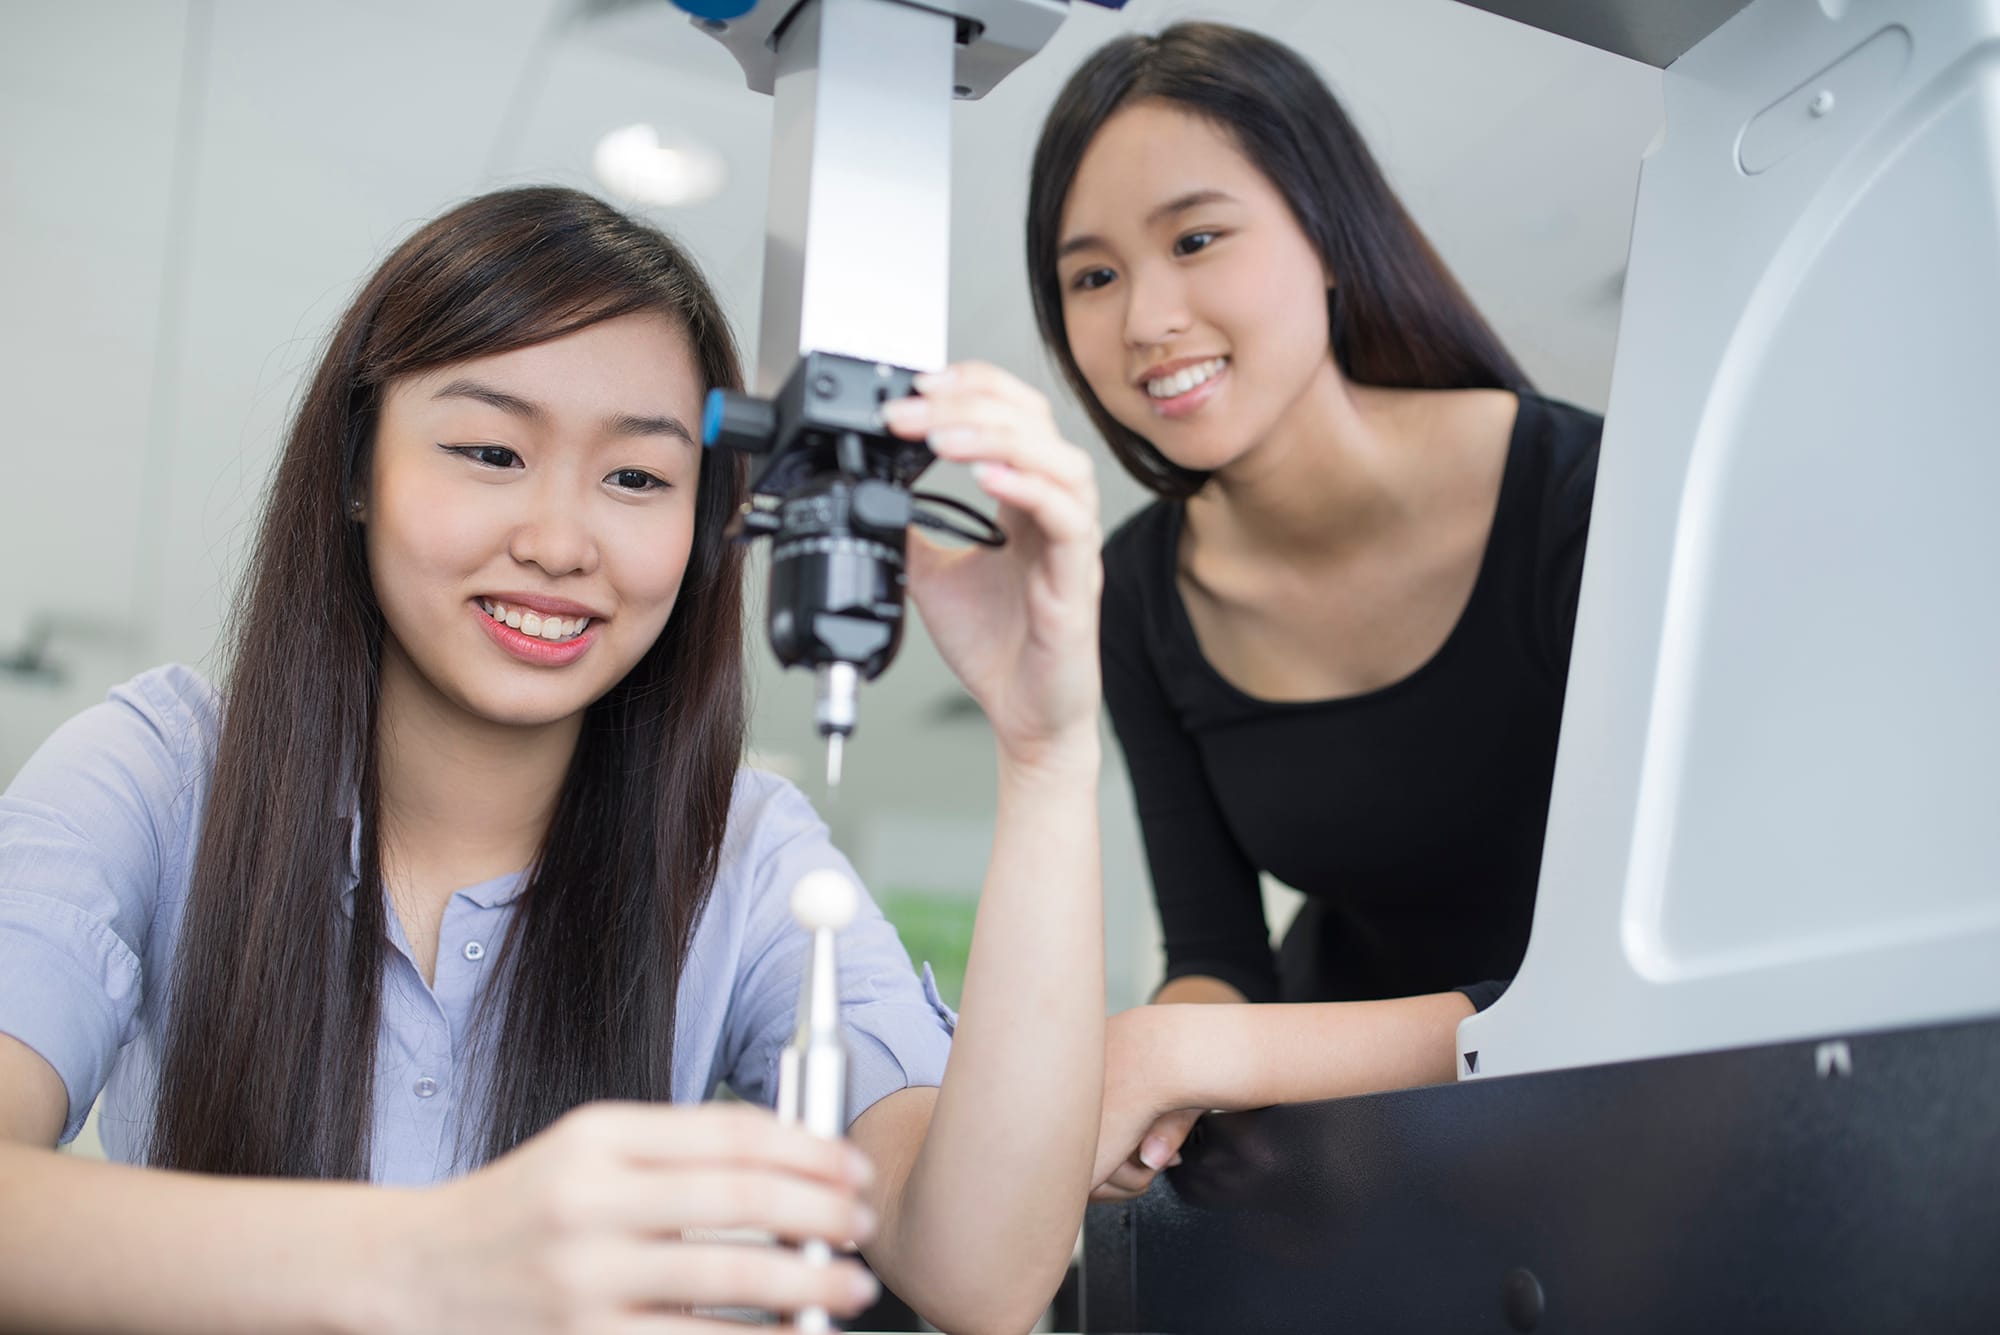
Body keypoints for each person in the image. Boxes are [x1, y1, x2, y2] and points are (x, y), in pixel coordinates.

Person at [0, 185, 1105, 1333]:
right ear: (354, 473)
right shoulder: (157, 775)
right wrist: (435, 1261)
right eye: (490, 450)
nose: (560, 543)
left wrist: (1048, 751)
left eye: (637, 478)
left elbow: (980, 1274)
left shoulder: (742, 856)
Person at [1024, 23, 1602, 1200]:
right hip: (1341, 1145)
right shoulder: (1133, 590)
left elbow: (1619, 978)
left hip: (1626, 1111)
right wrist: (1134, 1081)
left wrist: (1203, 1050)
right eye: (1092, 275)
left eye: (1194, 239)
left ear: (1327, 236)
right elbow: (1218, 964)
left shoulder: (1577, 498)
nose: (1144, 320)